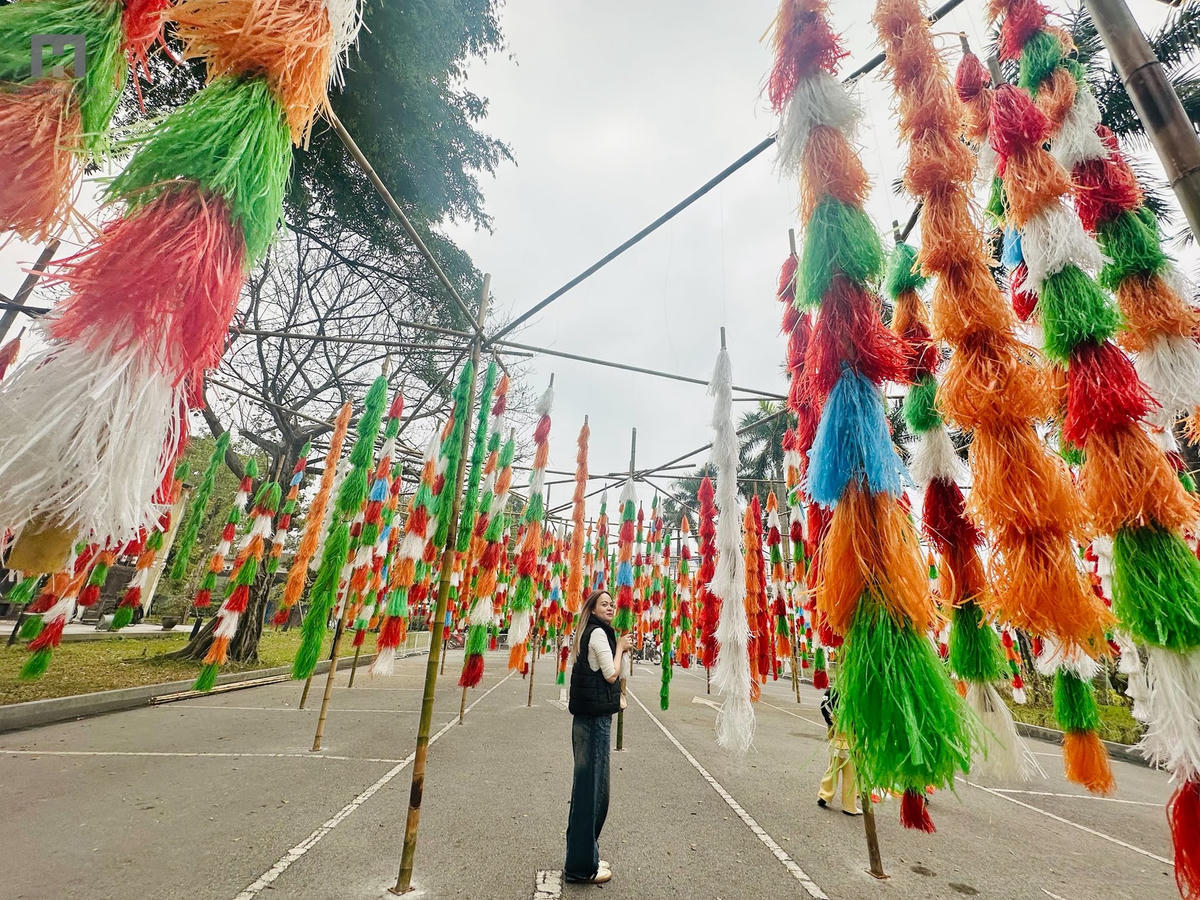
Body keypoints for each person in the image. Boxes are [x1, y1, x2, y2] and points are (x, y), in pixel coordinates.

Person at [564, 589, 631, 884]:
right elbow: (610, 674)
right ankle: (581, 868)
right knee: (593, 794)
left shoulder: (589, 634)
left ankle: (585, 857)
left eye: (612, 604)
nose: (610, 607)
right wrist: (622, 648)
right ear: (591, 609)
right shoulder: (599, 635)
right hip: (594, 723)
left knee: (589, 792)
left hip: (587, 720)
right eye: (604, 604)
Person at [817, 687, 862, 816]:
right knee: (850, 777)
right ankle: (849, 806)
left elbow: (824, 709)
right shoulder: (853, 711)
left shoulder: (833, 713)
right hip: (849, 746)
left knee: (831, 771)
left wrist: (831, 730)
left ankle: (824, 795)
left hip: (835, 744)